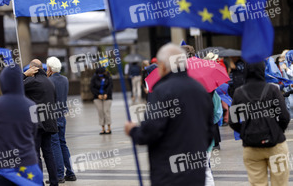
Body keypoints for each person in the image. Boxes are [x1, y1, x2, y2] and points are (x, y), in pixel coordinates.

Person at [125, 43, 214, 186]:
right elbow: (210, 132)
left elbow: (150, 131)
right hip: (195, 174)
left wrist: (133, 131)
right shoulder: (200, 90)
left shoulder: (161, 91)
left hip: (168, 174)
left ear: (163, 66)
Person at [229, 62, 290, 186]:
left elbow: (233, 121)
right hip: (276, 144)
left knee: (257, 183)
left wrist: (245, 132)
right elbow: (284, 116)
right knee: (280, 183)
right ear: (263, 70)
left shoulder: (239, 93)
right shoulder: (272, 89)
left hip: (251, 148)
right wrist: (277, 130)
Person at [0, 65, 43, 186]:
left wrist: (1, 138)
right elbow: (33, 132)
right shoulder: (31, 105)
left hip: (1, 163)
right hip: (27, 161)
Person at [23, 59, 59, 186]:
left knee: (36, 155)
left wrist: (24, 75)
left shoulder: (31, 81)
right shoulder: (50, 82)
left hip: (37, 124)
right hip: (49, 123)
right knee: (48, 153)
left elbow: (13, 87)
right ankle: (54, 181)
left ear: (34, 69)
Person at [46, 57, 77, 183]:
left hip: (53, 116)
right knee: (62, 143)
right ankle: (70, 172)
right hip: (62, 115)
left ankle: (59, 175)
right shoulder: (65, 79)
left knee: (55, 145)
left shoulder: (49, 81)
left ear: (49, 68)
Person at [90, 67, 113, 135]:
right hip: (97, 97)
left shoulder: (108, 77)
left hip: (107, 97)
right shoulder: (94, 78)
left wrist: (106, 93)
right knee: (100, 111)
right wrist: (98, 95)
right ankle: (103, 128)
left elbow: (110, 86)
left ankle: (109, 127)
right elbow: (92, 87)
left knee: (106, 111)